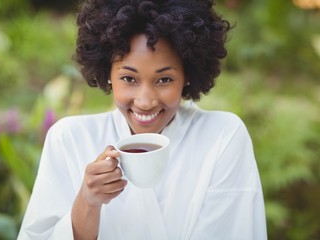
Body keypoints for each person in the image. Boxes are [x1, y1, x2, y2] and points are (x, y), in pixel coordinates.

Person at [18, 0, 267, 239]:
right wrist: (88, 200)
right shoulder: (70, 139)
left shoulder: (222, 136)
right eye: (129, 79)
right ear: (107, 73)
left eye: (164, 79)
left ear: (188, 75)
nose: (145, 101)